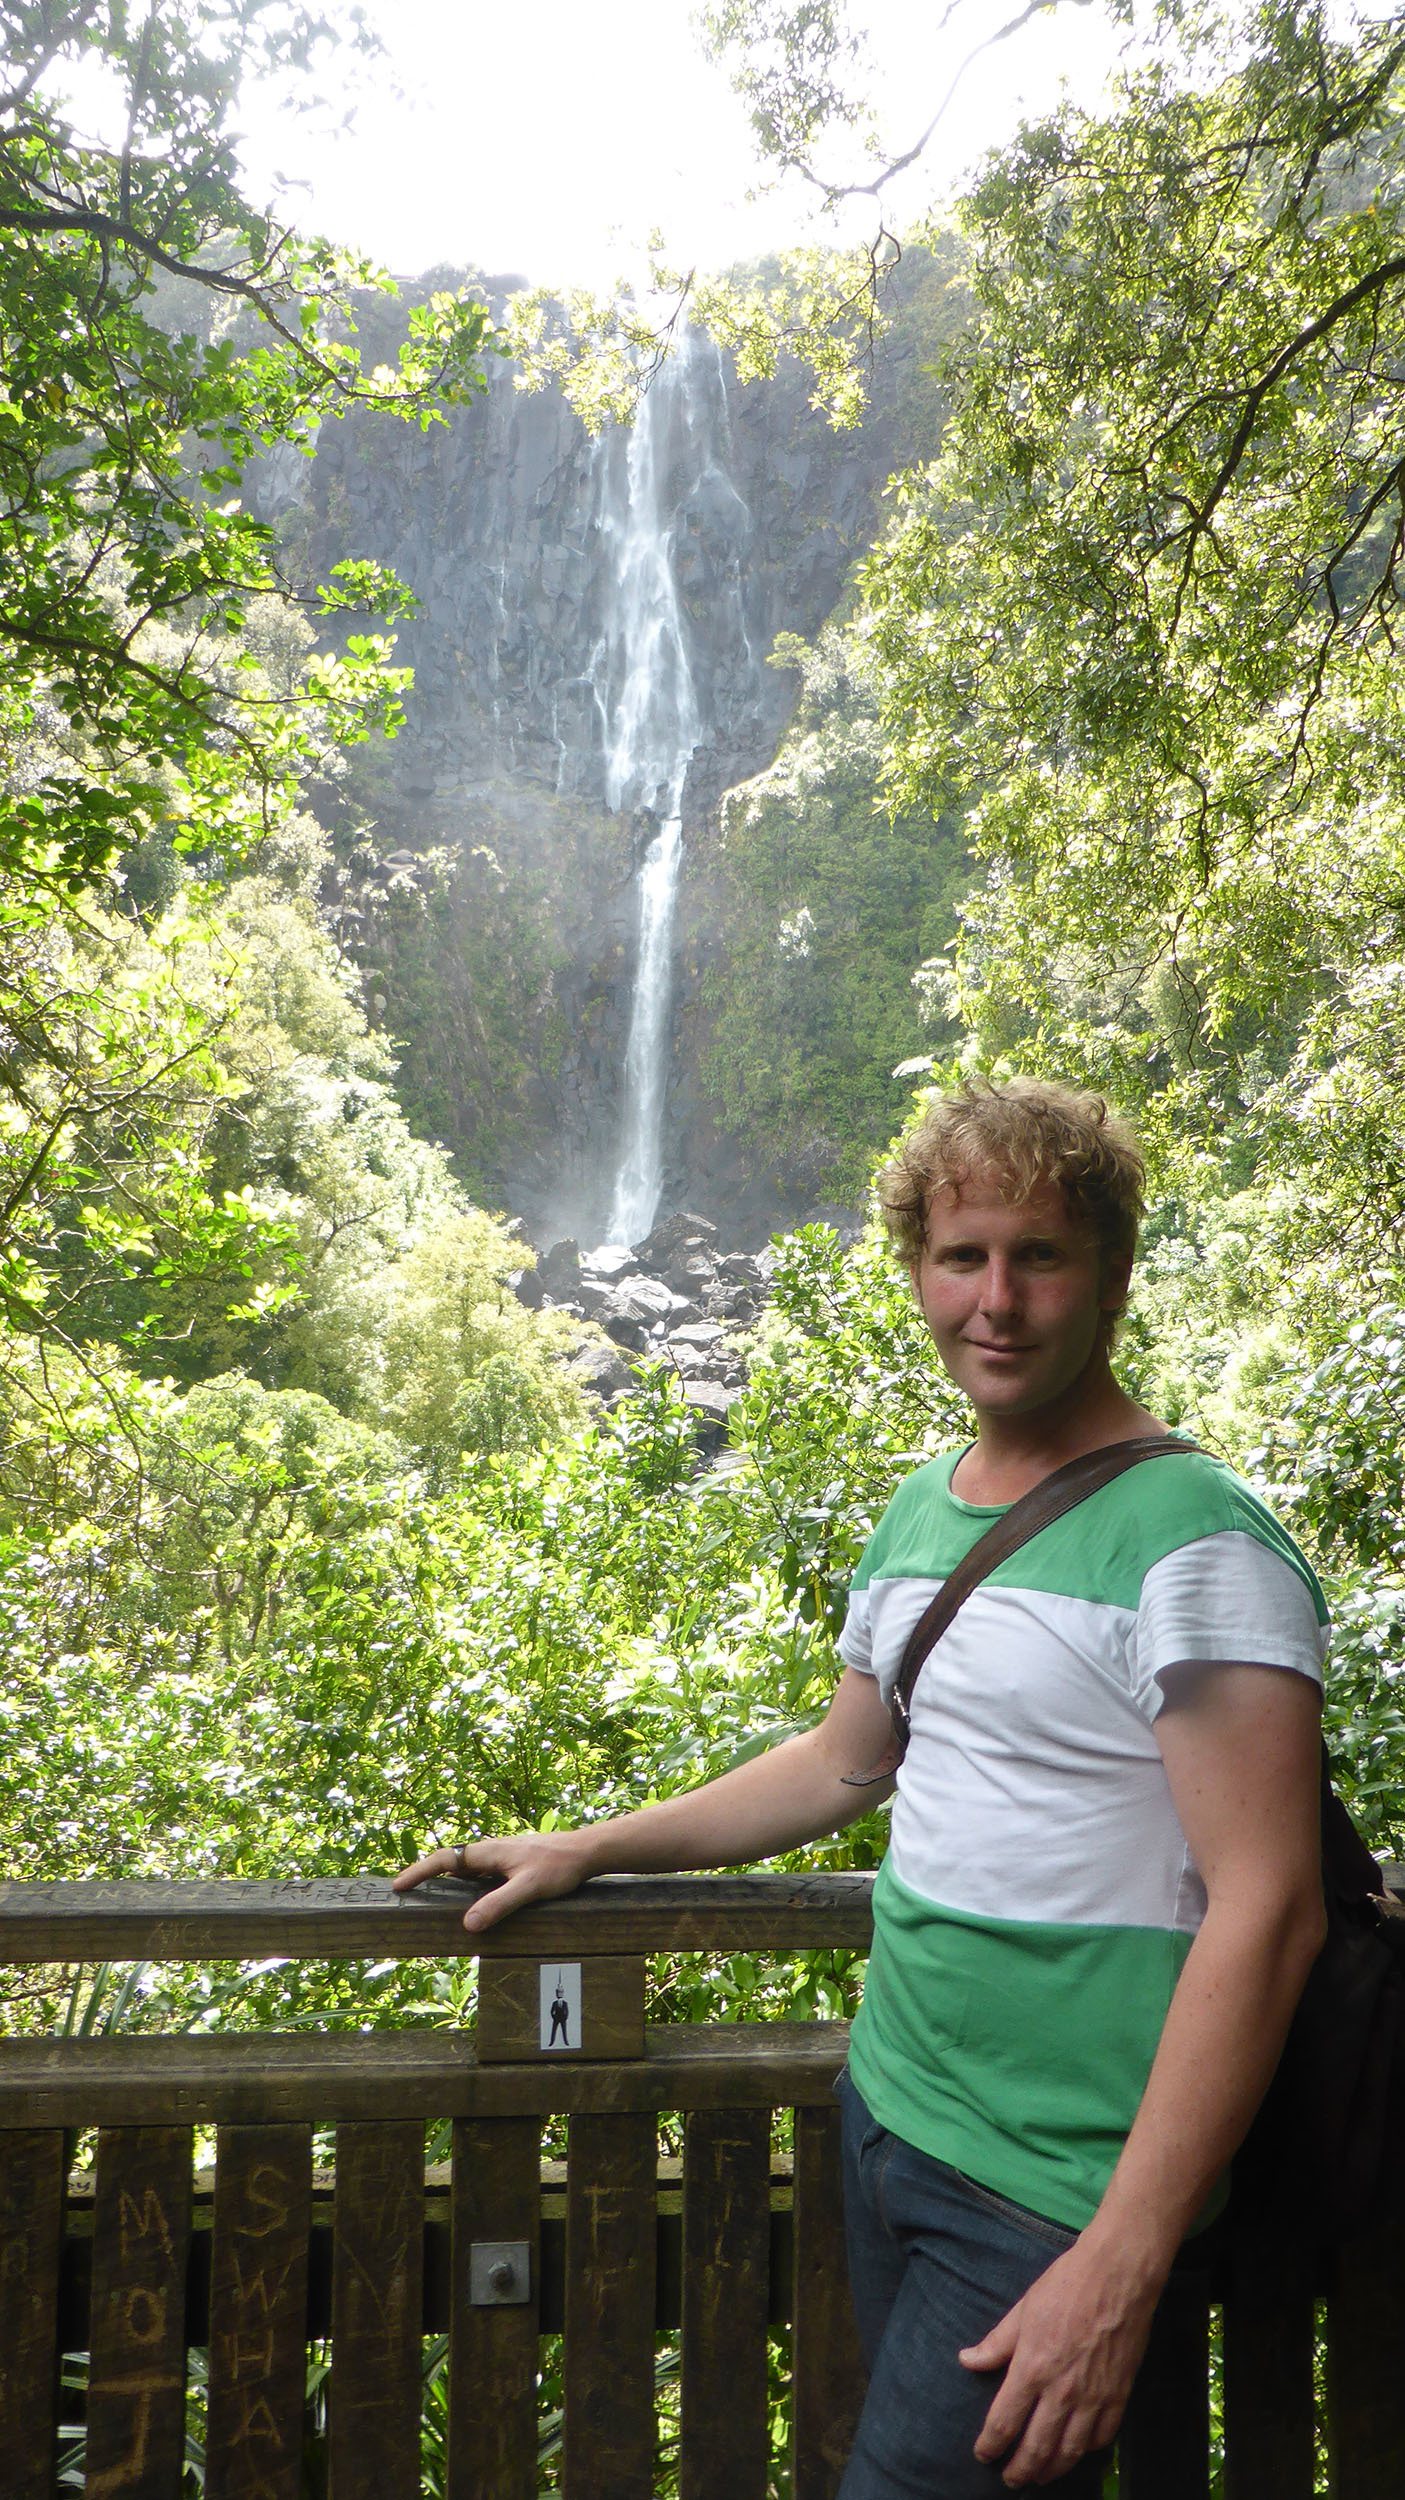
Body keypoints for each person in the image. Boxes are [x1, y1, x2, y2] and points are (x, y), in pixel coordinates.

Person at [395, 1079, 1328, 2496]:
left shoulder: (1195, 1542)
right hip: (891, 2118)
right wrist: (591, 1846)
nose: (996, 1301)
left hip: (1056, 2187)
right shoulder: (921, 1507)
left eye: (1040, 1255)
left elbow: (1271, 1909)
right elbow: (841, 1762)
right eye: (962, 1257)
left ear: (1112, 1275)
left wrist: (1117, 2262)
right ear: (915, 1272)